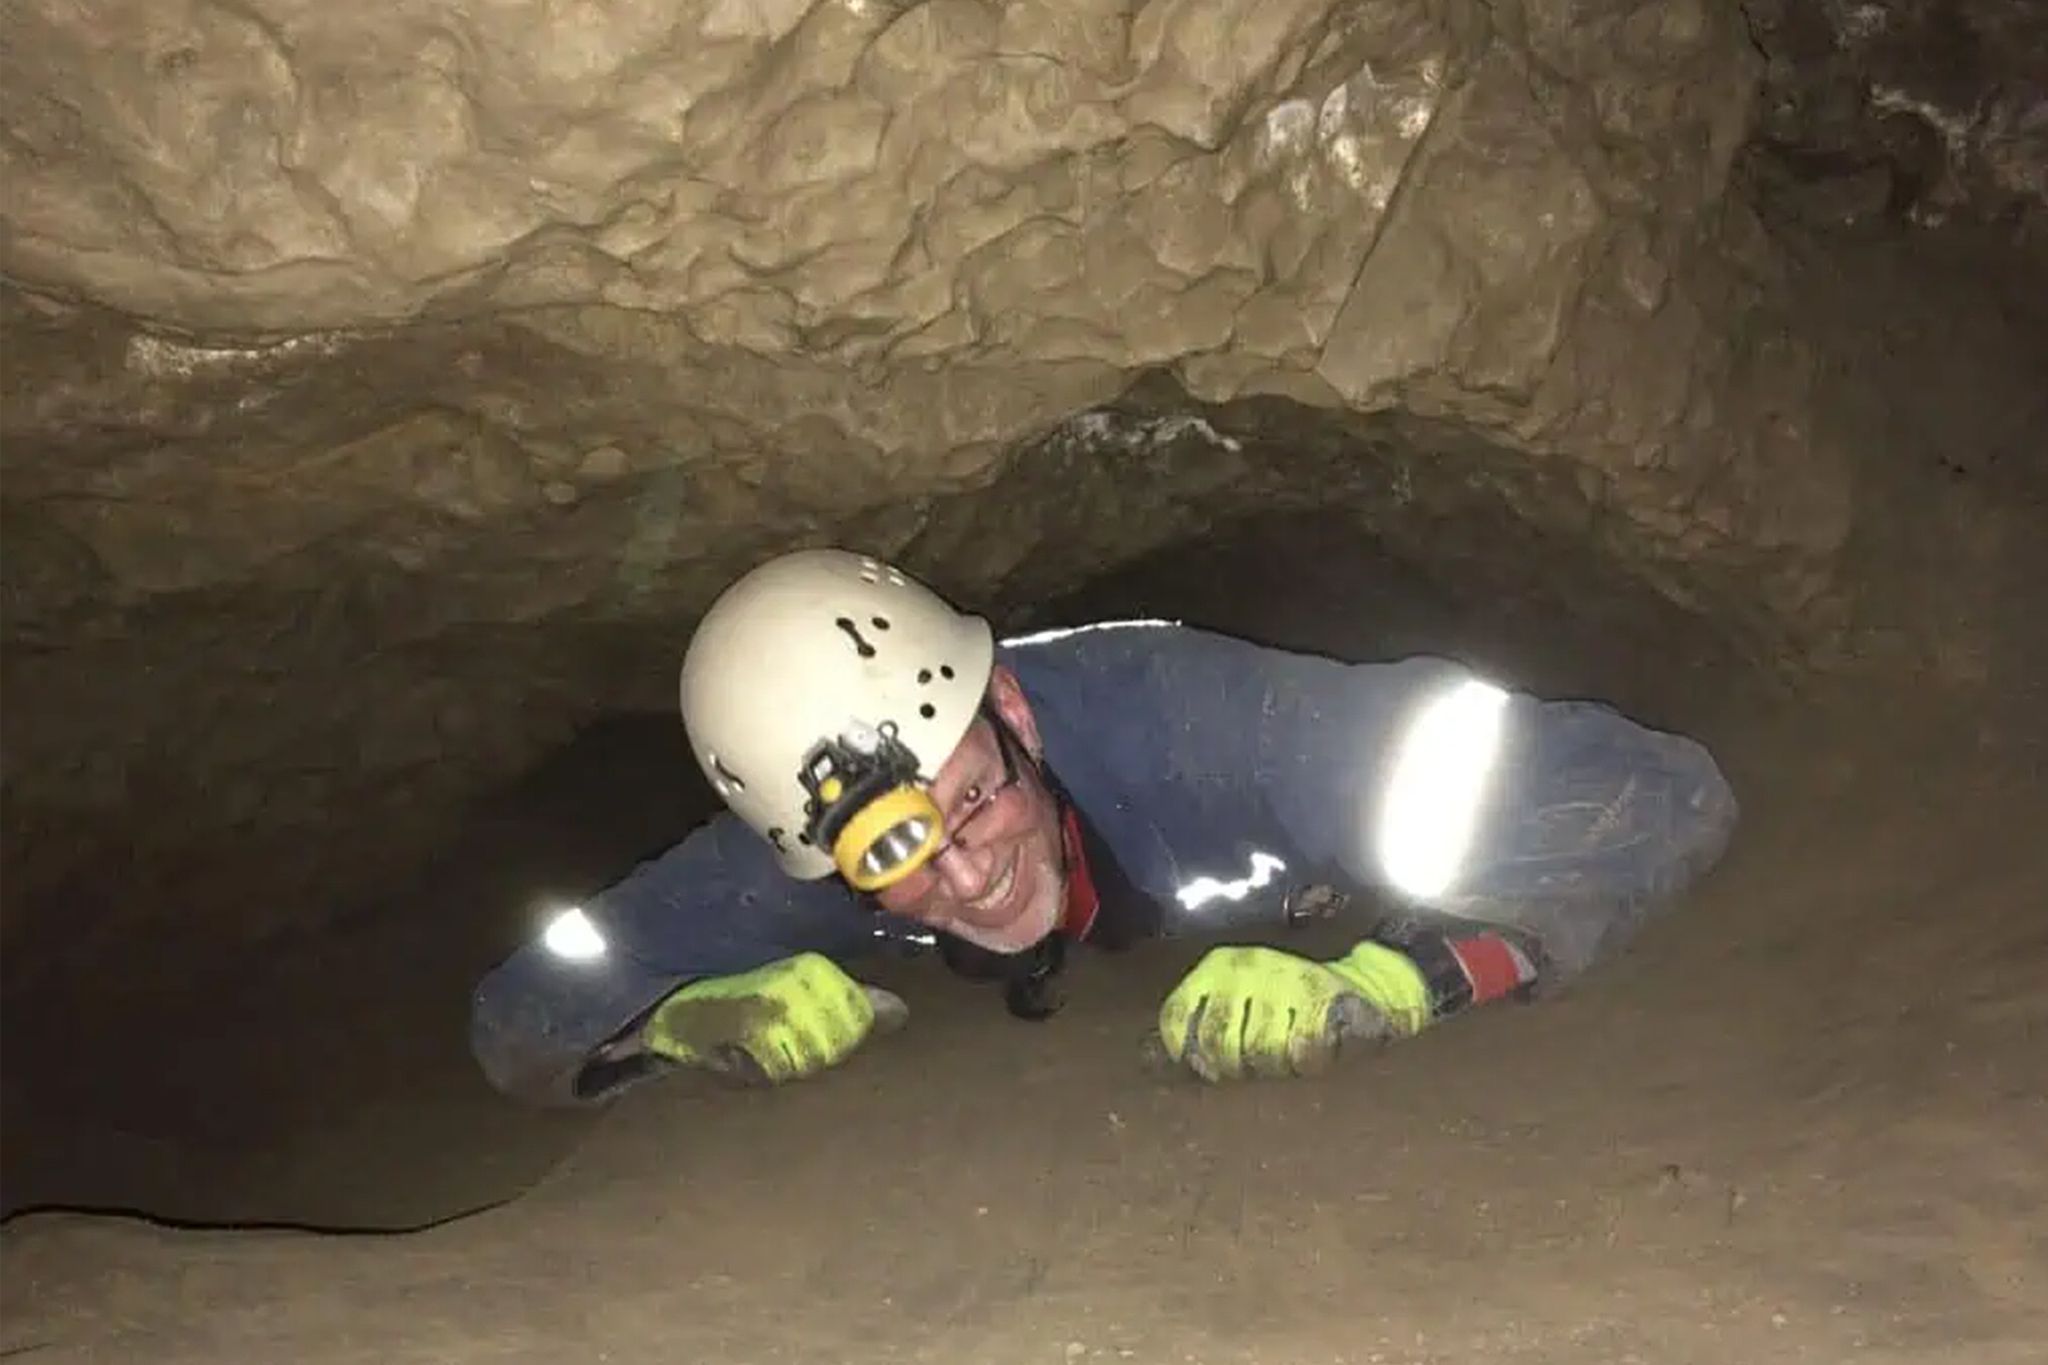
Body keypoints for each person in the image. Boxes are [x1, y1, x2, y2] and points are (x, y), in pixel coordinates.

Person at [470, 548, 1737, 1106]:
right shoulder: (788, 866)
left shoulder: (1193, 723)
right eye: (892, 853)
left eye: (975, 795)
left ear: (1013, 709)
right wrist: (681, 1025)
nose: (966, 872)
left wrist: (1392, 981)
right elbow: (522, 1011)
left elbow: (1646, 794)